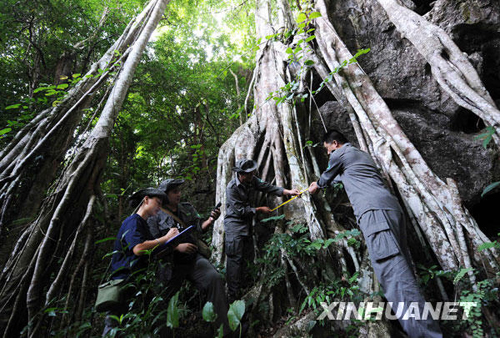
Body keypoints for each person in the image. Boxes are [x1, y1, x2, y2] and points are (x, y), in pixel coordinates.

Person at [308, 130, 442, 338]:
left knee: (394, 276)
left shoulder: (339, 154)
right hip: (391, 211)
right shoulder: (361, 155)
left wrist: (316, 185)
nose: (328, 155)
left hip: (374, 214)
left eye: (327, 150)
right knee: (403, 271)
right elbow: (341, 179)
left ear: (334, 144)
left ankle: (425, 335)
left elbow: (325, 179)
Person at [146, 179, 231, 335]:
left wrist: (211, 219)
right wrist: (177, 247)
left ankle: (224, 332)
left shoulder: (187, 208)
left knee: (214, 278)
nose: (179, 194)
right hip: (169, 266)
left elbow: (199, 227)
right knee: (161, 303)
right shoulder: (155, 215)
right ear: (165, 195)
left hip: (192, 260)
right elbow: (153, 244)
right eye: (174, 192)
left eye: (179, 191)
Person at [103, 187, 179, 336]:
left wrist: (172, 243)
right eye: (157, 202)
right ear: (145, 200)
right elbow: (138, 248)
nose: (159, 207)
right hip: (123, 283)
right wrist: (165, 238)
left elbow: (151, 249)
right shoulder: (133, 222)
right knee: (114, 328)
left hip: (137, 283)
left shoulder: (143, 224)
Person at [224, 159, 300, 302]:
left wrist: (288, 192)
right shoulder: (232, 187)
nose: (252, 174)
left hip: (247, 225)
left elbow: (268, 187)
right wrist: (259, 209)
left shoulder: (252, 180)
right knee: (235, 259)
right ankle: (232, 296)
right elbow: (240, 210)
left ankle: (244, 288)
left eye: (252, 172)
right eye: (249, 173)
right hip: (234, 225)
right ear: (241, 174)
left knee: (246, 256)